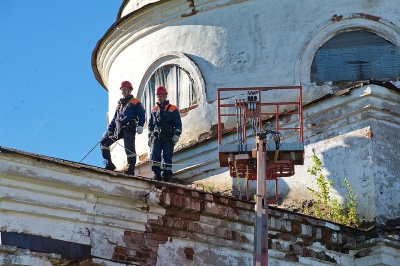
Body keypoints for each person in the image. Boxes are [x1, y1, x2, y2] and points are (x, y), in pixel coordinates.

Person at [100, 81, 145, 175]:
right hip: (119, 129)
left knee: (129, 148)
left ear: (129, 90)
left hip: (129, 127)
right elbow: (115, 119)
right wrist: (109, 129)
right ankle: (109, 164)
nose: (123, 91)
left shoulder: (135, 102)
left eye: (125, 89)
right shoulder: (119, 105)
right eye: (122, 90)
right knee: (104, 142)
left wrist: (140, 125)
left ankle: (131, 168)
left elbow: (141, 114)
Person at [148, 86, 182, 182]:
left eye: (161, 96)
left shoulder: (173, 109)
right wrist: (149, 137)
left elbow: (178, 124)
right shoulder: (154, 110)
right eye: (158, 96)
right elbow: (150, 125)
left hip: (168, 136)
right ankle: (157, 174)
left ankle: (167, 175)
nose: (159, 98)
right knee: (155, 155)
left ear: (165, 96)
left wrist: (176, 135)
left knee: (167, 155)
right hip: (157, 136)